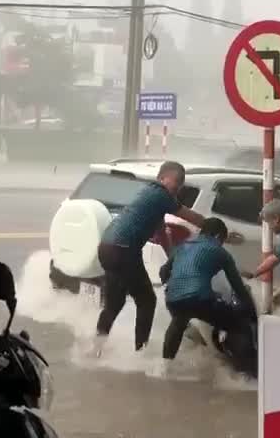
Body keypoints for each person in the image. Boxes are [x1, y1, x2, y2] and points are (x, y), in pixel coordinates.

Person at [94, 160, 205, 353]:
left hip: (107, 247)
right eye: (176, 182)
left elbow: (162, 233)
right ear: (163, 178)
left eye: (181, 184)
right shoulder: (161, 194)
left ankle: (96, 348)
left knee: (115, 303)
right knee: (147, 301)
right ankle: (140, 352)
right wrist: (216, 228)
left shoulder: (151, 197)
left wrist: (173, 259)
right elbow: (190, 217)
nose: (178, 189)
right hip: (124, 249)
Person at [160, 217, 256, 376]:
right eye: (223, 240)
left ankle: (165, 368)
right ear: (218, 236)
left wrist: (171, 286)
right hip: (199, 298)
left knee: (178, 323)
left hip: (173, 298)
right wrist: (250, 313)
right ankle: (246, 374)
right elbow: (238, 287)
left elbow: (163, 271)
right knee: (237, 324)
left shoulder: (182, 246)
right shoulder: (219, 251)